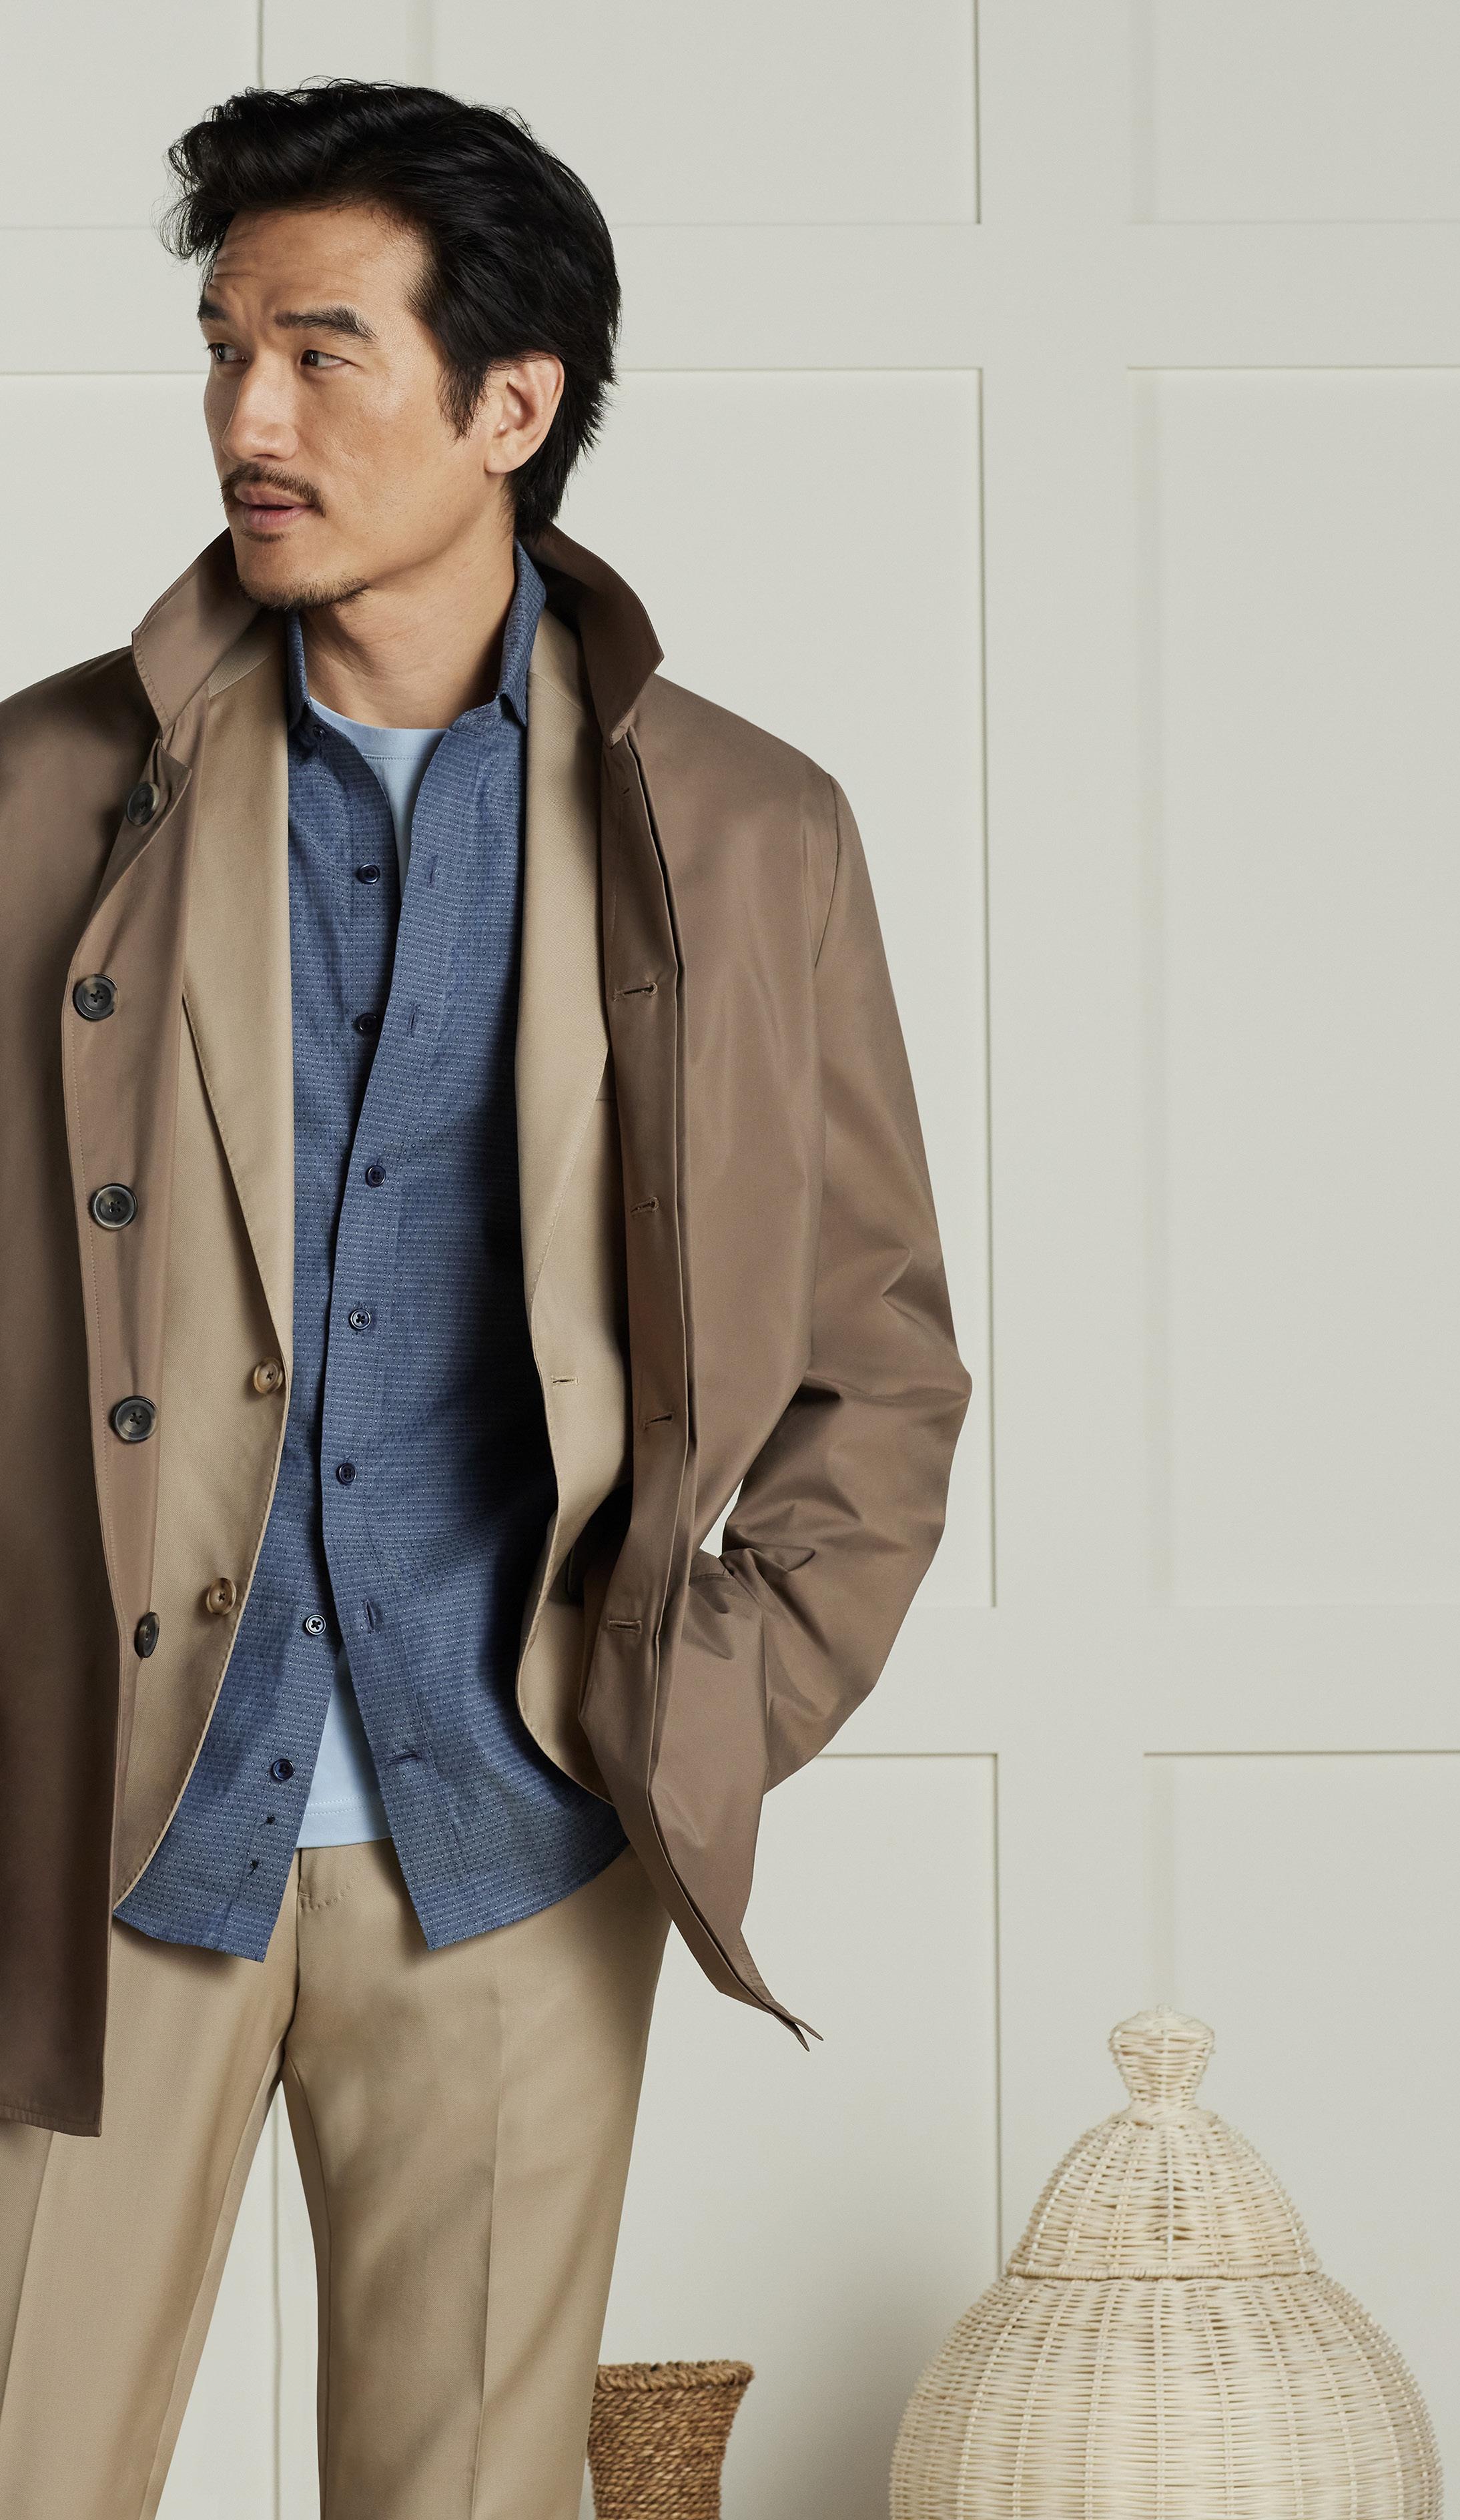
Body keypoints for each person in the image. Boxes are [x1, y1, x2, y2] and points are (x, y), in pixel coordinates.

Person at [0, 79, 969, 2519]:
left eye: (322, 355)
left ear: (510, 406)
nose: (248, 417)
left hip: (512, 1848)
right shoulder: (35, 798)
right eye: (224, 350)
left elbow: (879, 1358)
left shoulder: (744, 830)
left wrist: (692, 1711)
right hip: (91, 1830)